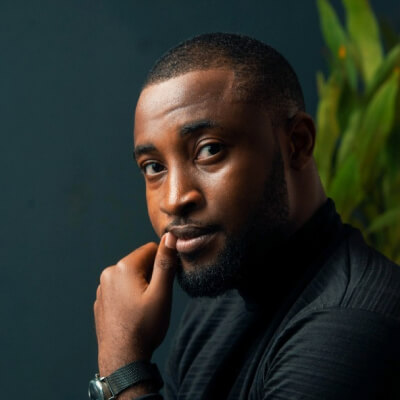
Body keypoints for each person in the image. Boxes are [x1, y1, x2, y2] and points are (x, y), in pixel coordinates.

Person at [90, 33, 400, 400]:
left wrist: (123, 366)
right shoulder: (216, 307)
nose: (174, 200)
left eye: (209, 150)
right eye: (154, 167)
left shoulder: (351, 324)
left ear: (297, 144)